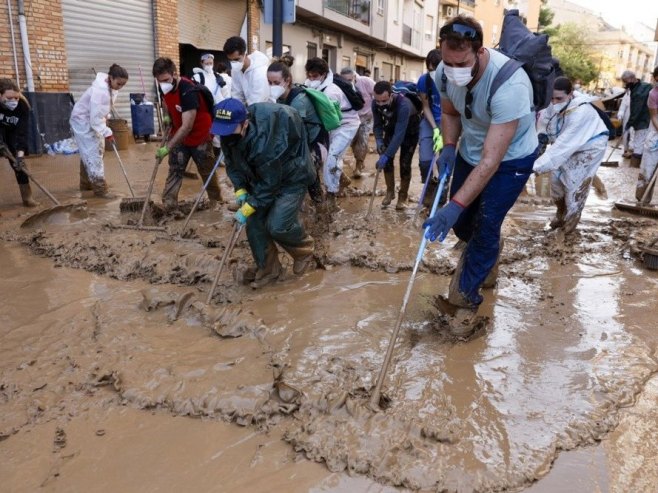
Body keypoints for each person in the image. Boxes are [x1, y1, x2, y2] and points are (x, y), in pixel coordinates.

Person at [423, 16, 539, 326]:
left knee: (485, 224)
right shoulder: (443, 73)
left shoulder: (510, 85)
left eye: (461, 63)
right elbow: (449, 111)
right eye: (448, 62)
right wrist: (448, 145)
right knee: (463, 227)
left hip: (511, 160)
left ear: (479, 51)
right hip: (470, 150)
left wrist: (453, 204)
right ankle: (490, 250)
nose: (453, 70)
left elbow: (491, 162)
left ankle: (465, 300)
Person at [213, 98, 317, 288]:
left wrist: (249, 206)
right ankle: (269, 269)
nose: (225, 135)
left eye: (229, 130)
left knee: (277, 225)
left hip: (292, 176)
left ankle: (304, 250)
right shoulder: (229, 133)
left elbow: (270, 185)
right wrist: (241, 189)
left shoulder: (265, 142)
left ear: (245, 124)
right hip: (261, 176)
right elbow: (232, 163)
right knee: (254, 224)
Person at [534, 77, 609, 233]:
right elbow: (545, 121)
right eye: (552, 98)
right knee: (555, 182)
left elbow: (562, 147)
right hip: (566, 144)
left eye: (559, 98)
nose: (554, 102)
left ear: (571, 94)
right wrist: (541, 136)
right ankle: (560, 214)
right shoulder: (553, 104)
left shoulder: (581, 112)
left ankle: (570, 226)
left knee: (573, 184)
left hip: (590, 146)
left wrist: (534, 167)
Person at [152, 57, 222, 211]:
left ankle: (216, 202)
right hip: (179, 131)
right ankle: (169, 203)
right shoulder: (164, 86)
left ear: (174, 74)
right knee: (175, 168)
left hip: (199, 134)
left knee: (206, 170)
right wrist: (166, 115)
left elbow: (187, 127)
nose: (162, 84)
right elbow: (165, 101)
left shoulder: (188, 90)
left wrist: (167, 148)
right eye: (159, 81)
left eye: (165, 80)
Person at [304, 57, 360, 209]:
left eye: (314, 76)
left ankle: (331, 196)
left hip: (346, 124)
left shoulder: (331, 91)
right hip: (331, 122)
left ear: (323, 74)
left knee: (332, 158)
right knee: (325, 157)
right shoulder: (312, 85)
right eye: (309, 75)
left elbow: (329, 119)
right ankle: (342, 179)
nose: (311, 79)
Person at [267, 60, 326, 203]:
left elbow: (295, 133)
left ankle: (321, 209)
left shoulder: (299, 102)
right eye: (269, 83)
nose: (272, 86)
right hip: (300, 139)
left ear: (287, 81)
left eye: (276, 82)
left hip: (315, 141)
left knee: (307, 170)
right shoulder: (278, 99)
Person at [70, 64, 128, 198]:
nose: (120, 87)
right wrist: (107, 132)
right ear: (111, 78)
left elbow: (103, 110)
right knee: (94, 152)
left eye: (123, 85)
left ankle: (86, 184)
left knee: (92, 151)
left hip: (92, 119)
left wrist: (105, 120)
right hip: (82, 120)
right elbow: (94, 119)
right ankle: (100, 189)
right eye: (118, 83)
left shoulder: (110, 87)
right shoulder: (100, 91)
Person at [372, 80, 421, 210]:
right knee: (386, 160)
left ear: (391, 95)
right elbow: (377, 125)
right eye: (378, 101)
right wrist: (379, 141)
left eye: (384, 101)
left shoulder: (403, 105)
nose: (380, 105)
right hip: (391, 128)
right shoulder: (375, 103)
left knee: (405, 163)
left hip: (410, 131)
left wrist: (387, 154)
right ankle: (390, 192)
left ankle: (402, 196)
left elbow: (399, 135)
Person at [0, 78, 38, 207]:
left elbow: (22, 133)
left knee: (19, 165)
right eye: (9, 98)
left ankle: (27, 198)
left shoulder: (22, 105)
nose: (14, 101)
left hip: (11, 132)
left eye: (16, 97)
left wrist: (20, 155)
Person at [417, 49, 444, 207]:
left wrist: (444, 131)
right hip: (430, 121)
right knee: (426, 160)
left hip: (449, 122)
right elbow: (425, 106)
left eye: (436, 69)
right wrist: (434, 128)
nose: (433, 72)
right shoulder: (424, 81)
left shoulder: (453, 81)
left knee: (443, 162)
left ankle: (440, 200)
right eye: (430, 69)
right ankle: (429, 187)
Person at [340, 67, 375, 178]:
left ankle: (358, 167)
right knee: (352, 143)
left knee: (362, 139)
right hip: (350, 118)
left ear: (354, 76)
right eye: (346, 80)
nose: (348, 82)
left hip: (366, 117)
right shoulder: (340, 85)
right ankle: (360, 160)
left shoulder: (366, 82)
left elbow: (376, 95)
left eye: (350, 80)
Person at [223, 36, 270, 106]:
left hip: (263, 111)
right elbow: (236, 94)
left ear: (245, 54)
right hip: (249, 110)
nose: (233, 63)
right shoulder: (236, 71)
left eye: (236, 59)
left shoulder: (260, 71)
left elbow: (257, 101)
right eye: (230, 60)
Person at [635, 66, 658, 203]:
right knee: (647, 168)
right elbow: (654, 116)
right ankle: (642, 200)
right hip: (655, 134)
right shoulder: (653, 94)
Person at [620, 70, 652, 167]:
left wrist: (629, 123)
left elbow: (636, 110)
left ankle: (634, 167)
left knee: (638, 144)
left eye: (625, 81)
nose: (625, 84)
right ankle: (637, 167)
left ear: (631, 79)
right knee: (642, 143)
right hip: (648, 119)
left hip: (643, 121)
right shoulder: (645, 85)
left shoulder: (638, 92)